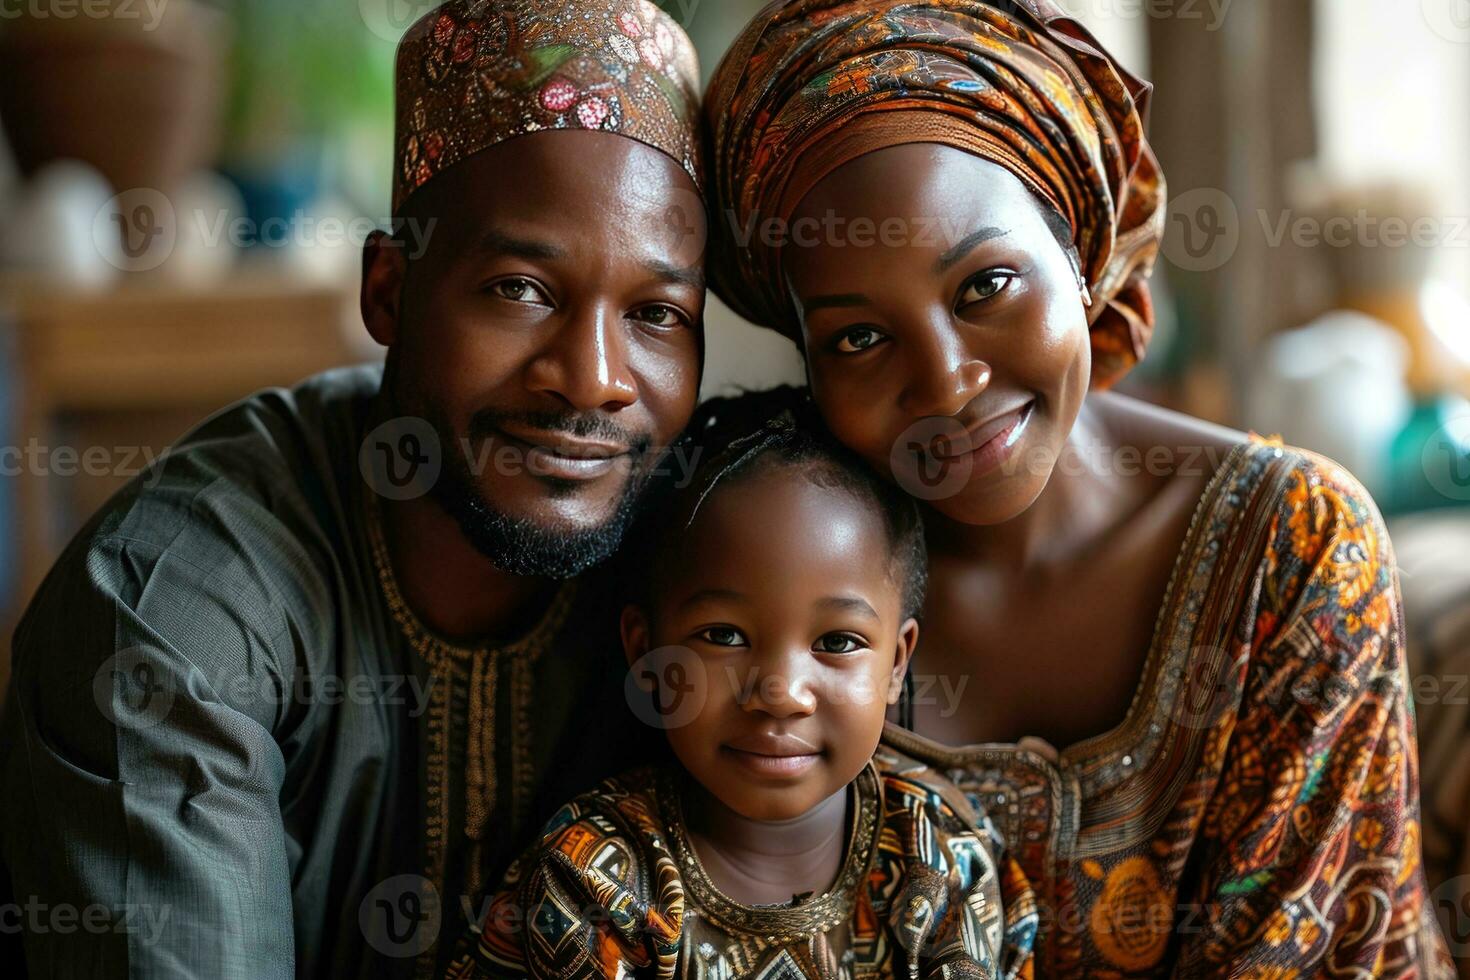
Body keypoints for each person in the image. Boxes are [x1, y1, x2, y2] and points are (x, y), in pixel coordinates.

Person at [703, 0, 1454, 974]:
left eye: (985, 286)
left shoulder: (1291, 551)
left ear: (1084, 252)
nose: (944, 384)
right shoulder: (756, 590)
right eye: (858, 338)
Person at [0, 1, 707, 976]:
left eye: (657, 312)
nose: (592, 378)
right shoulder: (168, 611)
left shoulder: (708, 560)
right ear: (388, 290)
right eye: (520, 289)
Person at [447, 390, 1038, 980]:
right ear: (646, 652)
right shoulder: (594, 885)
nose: (780, 692)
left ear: (897, 663)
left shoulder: (940, 856)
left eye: (837, 643)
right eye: (724, 636)